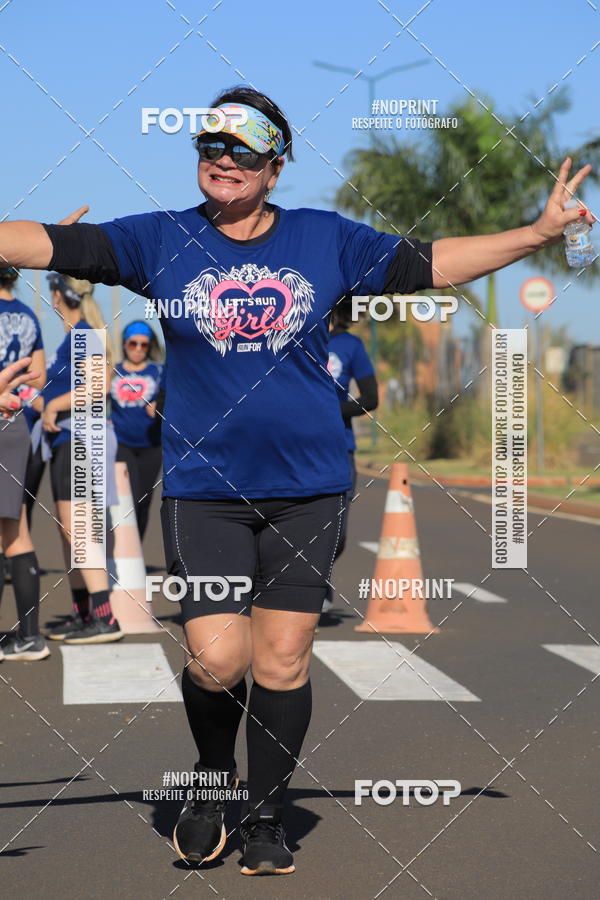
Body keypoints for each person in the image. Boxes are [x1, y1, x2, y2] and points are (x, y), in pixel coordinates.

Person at [0, 85, 593, 874]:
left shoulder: (324, 239)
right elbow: (45, 243)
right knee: (217, 659)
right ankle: (212, 776)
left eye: (243, 151)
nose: (223, 160)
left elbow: (432, 263)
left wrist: (540, 232)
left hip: (309, 489)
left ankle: (266, 814)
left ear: (275, 167)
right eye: (211, 145)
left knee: (283, 660)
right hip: (206, 491)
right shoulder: (161, 239)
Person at [40, 274, 123, 644]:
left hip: (80, 440)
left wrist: (53, 406)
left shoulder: (85, 333)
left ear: (58, 296)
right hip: (68, 439)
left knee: (79, 529)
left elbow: (99, 386)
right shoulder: (76, 335)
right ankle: (83, 612)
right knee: (68, 530)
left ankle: (104, 617)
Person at [0, 267, 48, 661]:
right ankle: (30, 636)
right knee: (17, 532)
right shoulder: (28, 315)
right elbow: (39, 377)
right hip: (16, 423)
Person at [323, 294, 378, 613]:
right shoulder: (291, 338)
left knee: (337, 532)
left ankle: (318, 577)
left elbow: (370, 398)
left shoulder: (350, 346)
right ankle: (301, 589)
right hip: (292, 448)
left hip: (340, 448)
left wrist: (329, 410)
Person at [111, 321, 163, 540]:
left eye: (144, 345)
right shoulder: (113, 371)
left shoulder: (158, 372)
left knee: (143, 500)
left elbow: (176, 397)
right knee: (127, 499)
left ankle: (135, 550)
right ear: (125, 344)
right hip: (121, 444)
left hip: (152, 446)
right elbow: (92, 399)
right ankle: (118, 547)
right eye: (133, 344)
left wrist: (161, 405)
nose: (138, 349)